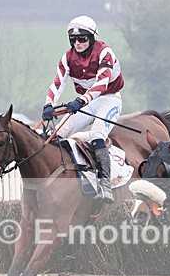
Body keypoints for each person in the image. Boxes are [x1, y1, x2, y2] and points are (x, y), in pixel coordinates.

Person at [41, 15, 124, 204]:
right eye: (73, 39)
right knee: (56, 134)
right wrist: (48, 104)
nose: (77, 43)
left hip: (109, 99)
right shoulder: (67, 57)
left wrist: (81, 100)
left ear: (93, 38)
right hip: (88, 102)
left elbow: (102, 83)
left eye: (82, 38)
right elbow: (57, 83)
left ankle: (105, 186)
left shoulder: (105, 52)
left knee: (97, 135)